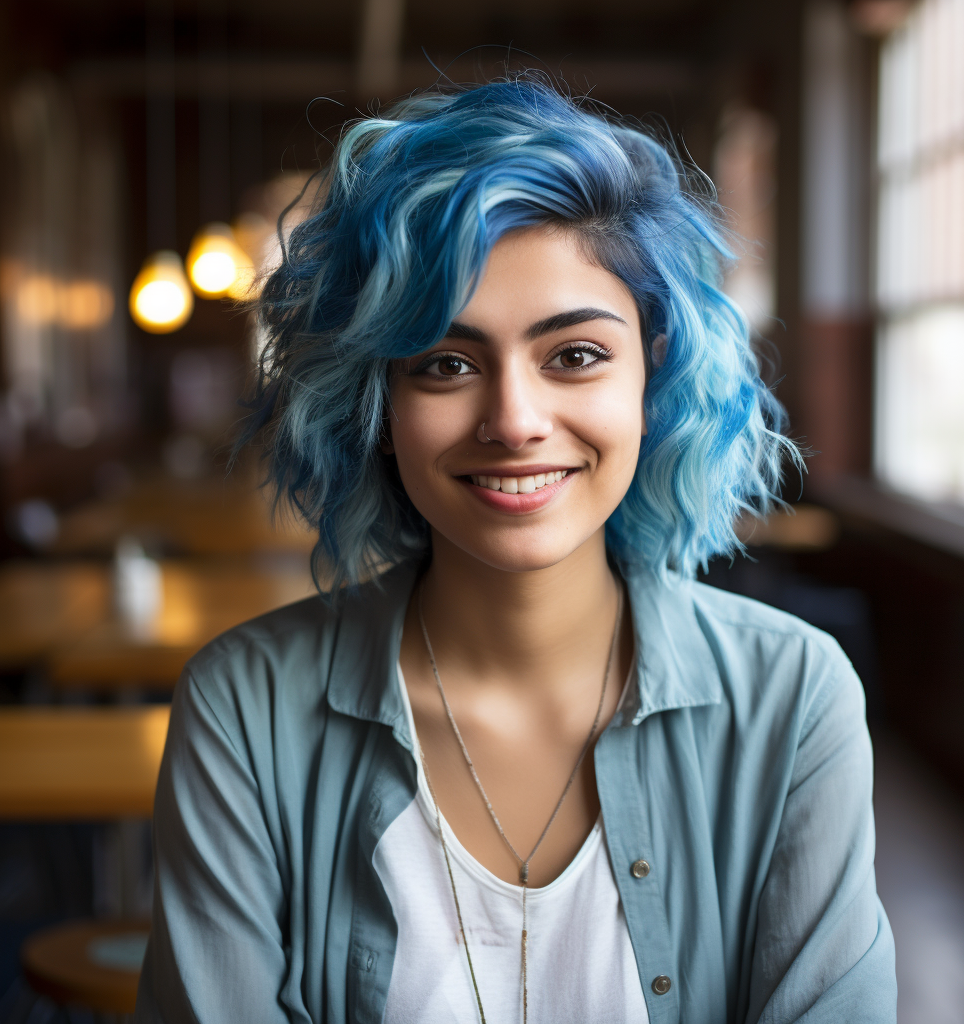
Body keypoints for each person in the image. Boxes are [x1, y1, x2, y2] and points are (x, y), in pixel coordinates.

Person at [136, 79, 896, 1024]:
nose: (513, 421)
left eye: (574, 354)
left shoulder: (792, 698)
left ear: (653, 376)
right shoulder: (245, 709)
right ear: (376, 409)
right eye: (445, 364)